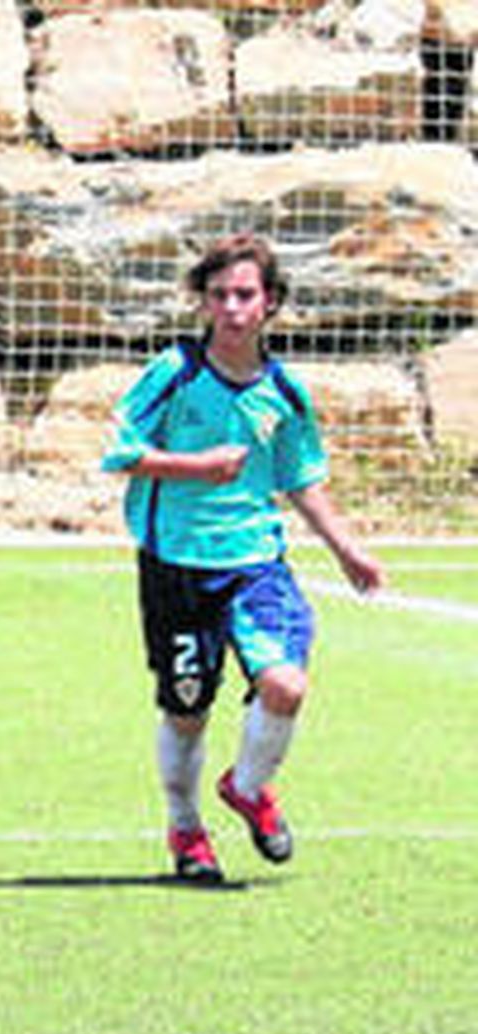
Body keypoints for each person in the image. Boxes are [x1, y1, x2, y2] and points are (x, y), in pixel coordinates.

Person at [101, 233, 384, 884]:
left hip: (257, 565)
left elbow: (300, 477)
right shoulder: (175, 373)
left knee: (285, 684)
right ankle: (186, 828)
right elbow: (119, 452)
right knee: (187, 708)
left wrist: (346, 548)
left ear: (271, 303)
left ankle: (250, 788)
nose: (232, 308)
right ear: (202, 302)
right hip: (176, 565)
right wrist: (194, 467)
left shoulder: (283, 392)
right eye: (220, 295)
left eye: (245, 295)